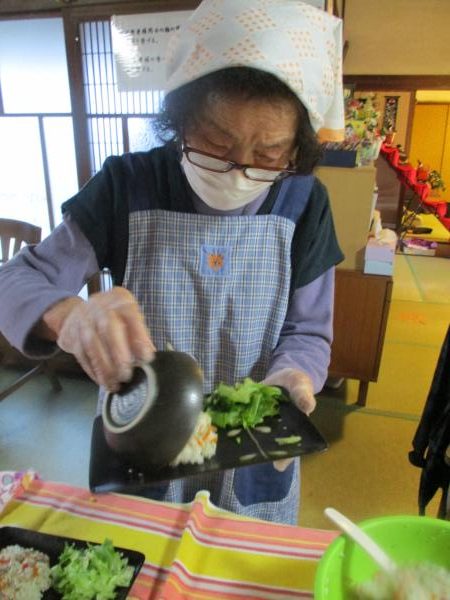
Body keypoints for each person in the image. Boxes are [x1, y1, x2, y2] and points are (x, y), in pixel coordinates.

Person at [0, 0, 344, 524]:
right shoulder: (127, 185)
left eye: (268, 153)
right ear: (180, 120)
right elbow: (15, 279)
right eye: (217, 143)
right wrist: (69, 317)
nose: (238, 170)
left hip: (251, 448)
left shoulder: (304, 201)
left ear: (296, 148)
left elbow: (308, 332)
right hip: (143, 441)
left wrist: (293, 376)